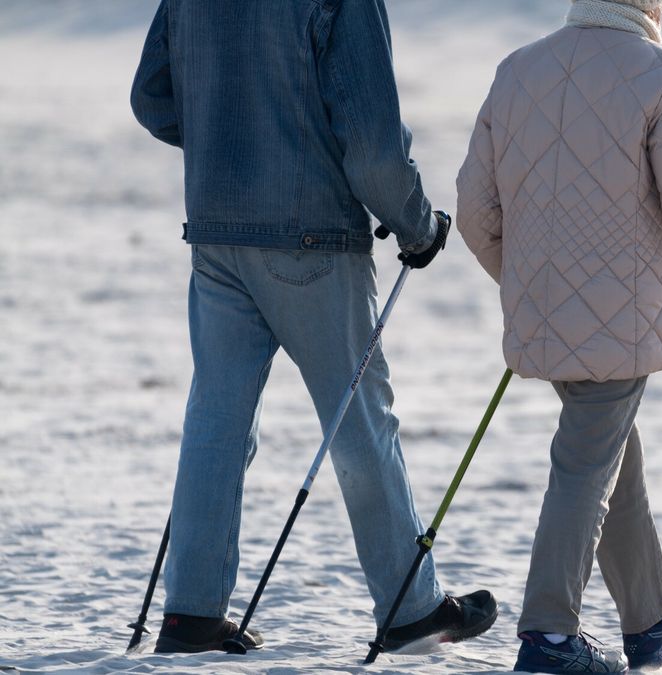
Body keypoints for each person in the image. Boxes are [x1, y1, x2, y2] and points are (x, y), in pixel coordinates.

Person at [130, 0, 496, 654]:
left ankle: (189, 613)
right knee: (358, 420)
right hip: (312, 233)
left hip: (216, 225)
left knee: (216, 418)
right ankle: (411, 607)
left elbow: (152, 95)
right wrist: (418, 224)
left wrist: (226, 140)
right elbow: (375, 144)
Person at [456, 0, 662, 671]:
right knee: (587, 459)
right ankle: (548, 634)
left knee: (609, 450)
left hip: (546, 306)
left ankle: (649, 619)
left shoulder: (518, 69)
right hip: (622, 312)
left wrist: (531, 285)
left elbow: (474, 207)